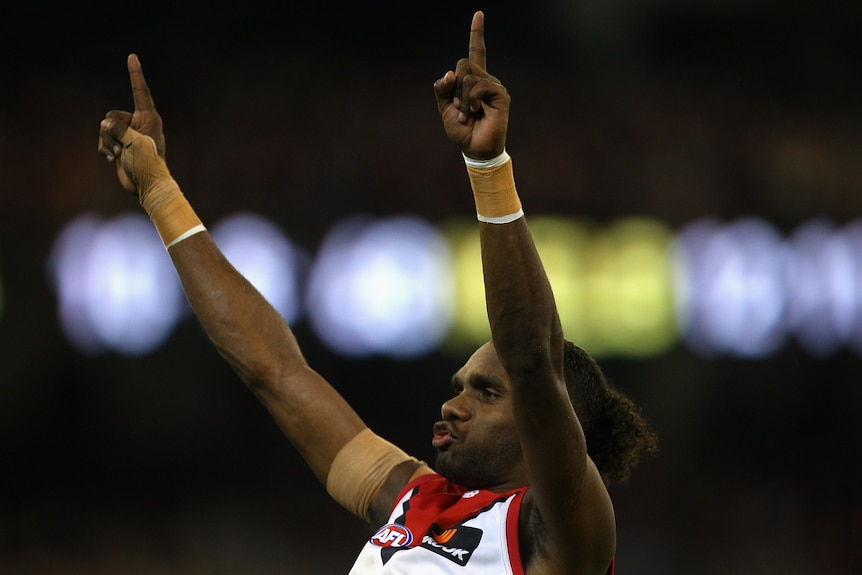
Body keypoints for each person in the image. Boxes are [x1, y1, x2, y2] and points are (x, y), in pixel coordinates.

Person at [97, 11, 657, 575]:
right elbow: (276, 371)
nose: (452, 405)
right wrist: (159, 192)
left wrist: (488, 166)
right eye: (461, 387)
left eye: (486, 394)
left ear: (558, 429)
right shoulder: (414, 498)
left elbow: (532, 361)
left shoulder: (563, 534)